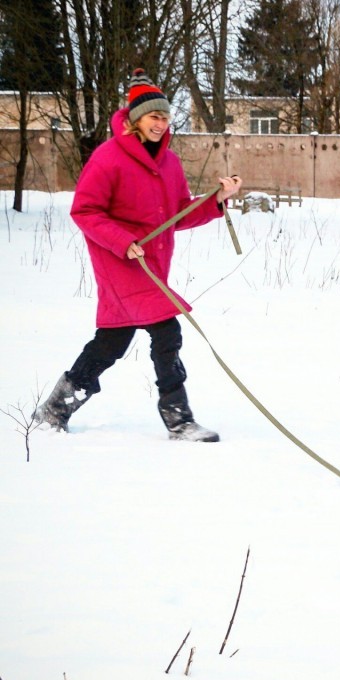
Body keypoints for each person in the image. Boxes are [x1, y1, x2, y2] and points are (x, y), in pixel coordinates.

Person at [34, 69, 242, 442]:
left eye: (165, 117)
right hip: (120, 262)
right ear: (135, 119)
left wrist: (216, 201)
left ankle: (55, 409)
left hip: (151, 266)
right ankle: (179, 420)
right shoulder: (108, 158)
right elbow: (85, 211)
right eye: (153, 117)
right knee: (167, 330)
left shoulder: (170, 164)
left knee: (111, 344)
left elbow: (178, 214)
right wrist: (121, 240)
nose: (161, 124)